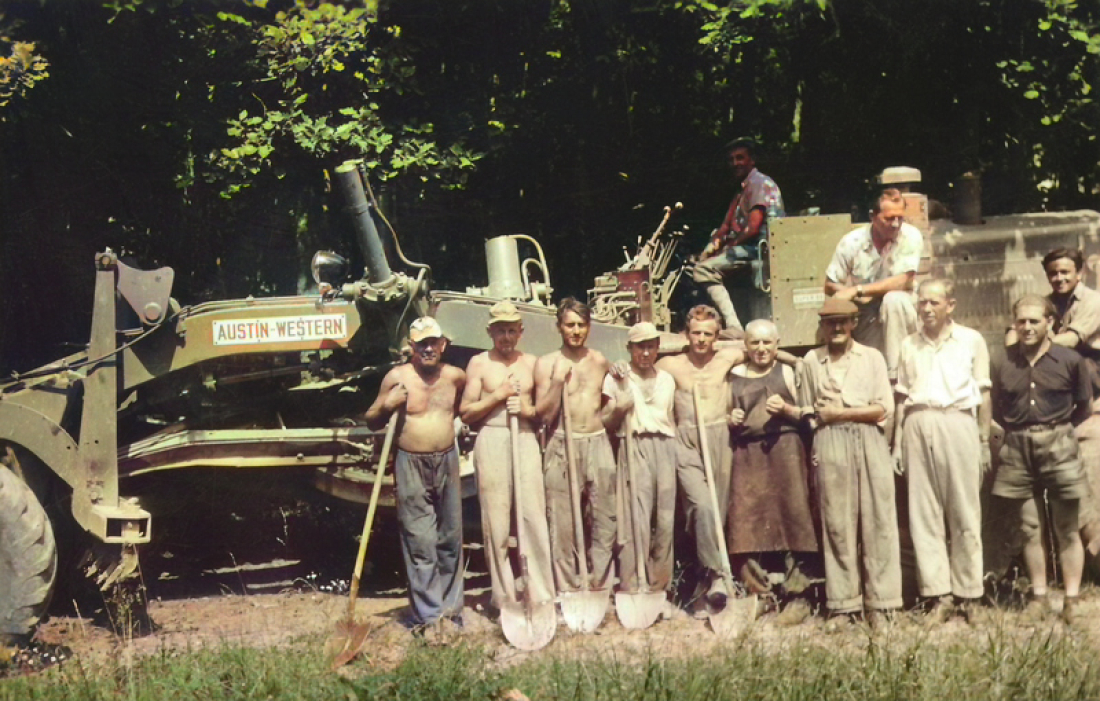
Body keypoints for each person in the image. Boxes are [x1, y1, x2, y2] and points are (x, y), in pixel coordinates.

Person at [797, 297, 902, 625]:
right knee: (837, 525)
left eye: (844, 321)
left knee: (878, 523)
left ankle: (882, 605)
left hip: (869, 438)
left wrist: (842, 411)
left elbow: (883, 408)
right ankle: (844, 606)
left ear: (854, 323)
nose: (838, 327)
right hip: (830, 442)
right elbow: (807, 410)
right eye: (831, 322)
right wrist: (821, 420)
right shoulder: (811, 361)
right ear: (823, 327)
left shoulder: (871, 358)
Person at [893, 279, 991, 623]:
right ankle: (938, 595)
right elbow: (903, 398)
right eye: (922, 303)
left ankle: (970, 594)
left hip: (958, 422)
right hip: (918, 424)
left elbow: (984, 394)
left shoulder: (970, 340)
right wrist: (897, 444)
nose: (927, 309)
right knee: (924, 515)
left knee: (964, 512)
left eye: (934, 302)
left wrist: (982, 442)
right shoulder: (908, 345)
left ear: (950, 305)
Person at [991, 294, 1092, 624]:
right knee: (1030, 527)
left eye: (1034, 321)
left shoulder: (1070, 361)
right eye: (1021, 321)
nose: (1027, 327)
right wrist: (1020, 432)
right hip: (1018, 446)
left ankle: (1072, 599)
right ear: (1014, 324)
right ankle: (1038, 597)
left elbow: (1083, 407)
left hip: (1060, 444)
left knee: (1066, 527)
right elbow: (997, 409)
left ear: (1050, 323)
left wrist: (1057, 431)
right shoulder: (1003, 361)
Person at [365, 316, 466, 629]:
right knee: (420, 540)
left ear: (443, 344)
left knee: (450, 539)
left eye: (432, 342)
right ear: (411, 346)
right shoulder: (397, 377)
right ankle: (427, 616)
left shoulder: (455, 377)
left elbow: (464, 410)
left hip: (447, 461)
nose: (427, 348)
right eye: (421, 343)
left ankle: (451, 613)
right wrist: (387, 404)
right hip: (411, 462)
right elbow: (370, 418)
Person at [459, 301, 554, 616]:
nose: (506, 336)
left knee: (533, 518)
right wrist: (497, 396)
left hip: (525, 439)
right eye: (500, 330)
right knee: (496, 523)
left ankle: (541, 594)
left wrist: (524, 410)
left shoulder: (533, 363)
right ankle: (503, 598)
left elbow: (543, 413)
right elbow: (467, 412)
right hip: (493, 438)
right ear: (490, 331)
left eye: (512, 330)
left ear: (521, 332)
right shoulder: (478, 364)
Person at [727, 319, 820, 624]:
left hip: (787, 451)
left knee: (795, 520)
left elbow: (809, 416)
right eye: (755, 342)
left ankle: (798, 597)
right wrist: (732, 417)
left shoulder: (790, 373)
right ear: (746, 346)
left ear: (777, 345)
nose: (761, 348)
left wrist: (788, 411)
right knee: (744, 522)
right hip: (747, 455)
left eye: (767, 343)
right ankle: (760, 594)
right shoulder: (734, 376)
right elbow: (725, 414)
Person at [534, 297, 616, 594]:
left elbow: (609, 406)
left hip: (597, 441)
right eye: (570, 325)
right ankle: (568, 589)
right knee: (562, 521)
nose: (576, 331)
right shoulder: (546, 364)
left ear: (590, 327)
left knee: (605, 516)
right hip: (561, 442)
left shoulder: (600, 361)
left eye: (582, 325)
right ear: (559, 327)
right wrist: (557, 382)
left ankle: (599, 585)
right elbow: (542, 414)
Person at [602, 322, 677, 596]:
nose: (645, 353)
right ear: (629, 349)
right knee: (637, 519)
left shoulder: (667, 379)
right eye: (639, 347)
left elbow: (672, 418)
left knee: (666, 522)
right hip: (633, 444)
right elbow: (606, 421)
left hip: (666, 446)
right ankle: (634, 585)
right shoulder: (617, 378)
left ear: (657, 348)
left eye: (650, 347)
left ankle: (660, 588)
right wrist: (620, 410)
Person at [824, 188, 921, 381]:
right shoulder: (852, 242)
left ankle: (898, 377)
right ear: (873, 216)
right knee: (870, 367)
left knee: (894, 301)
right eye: (889, 218)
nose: (895, 224)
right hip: (866, 309)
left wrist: (858, 290)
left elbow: (904, 280)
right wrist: (848, 293)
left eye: (900, 218)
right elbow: (830, 284)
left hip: (904, 307)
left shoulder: (910, 236)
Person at [691, 137, 785, 333]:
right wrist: (710, 248)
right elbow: (725, 226)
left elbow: (753, 228)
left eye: (740, 158)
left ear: (752, 160)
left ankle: (734, 326)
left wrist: (727, 247)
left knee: (703, 271)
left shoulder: (758, 183)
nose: (735, 163)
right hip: (751, 248)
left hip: (763, 249)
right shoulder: (742, 189)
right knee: (703, 265)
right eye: (732, 159)